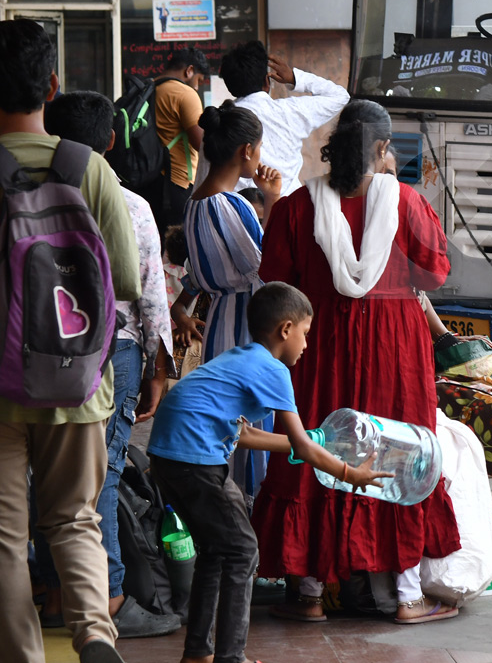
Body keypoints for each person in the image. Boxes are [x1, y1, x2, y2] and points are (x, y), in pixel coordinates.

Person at [251, 99, 460, 625]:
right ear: (383, 148)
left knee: (317, 447)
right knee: (401, 452)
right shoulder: (407, 203)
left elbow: (274, 274)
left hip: (317, 345)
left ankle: (310, 593)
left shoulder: (300, 207)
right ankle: (407, 596)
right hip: (395, 353)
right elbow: (434, 274)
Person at [148, 282, 387, 663]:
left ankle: (198, 653)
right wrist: (349, 473)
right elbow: (302, 447)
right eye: (305, 335)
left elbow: (245, 434)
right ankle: (231, 657)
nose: (306, 345)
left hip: (172, 453)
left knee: (216, 551)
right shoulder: (273, 369)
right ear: (286, 329)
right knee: (243, 551)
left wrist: (313, 441)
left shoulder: (243, 358)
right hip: (192, 458)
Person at [0, 20, 141, 663]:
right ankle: (93, 635)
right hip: (78, 380)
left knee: (5, 534)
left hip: (0, 385)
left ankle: (23, 653)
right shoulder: (89, 169)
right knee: (74, 518)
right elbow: (128, 281)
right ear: (52, 86)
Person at [38, 91, 180, 638]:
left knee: (46, 472)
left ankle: (55, 593)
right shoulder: (128, 205)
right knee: (99, 474)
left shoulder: (29, 194)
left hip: (44, 344)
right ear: (111, 141)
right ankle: (112, 598)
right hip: (110, 348)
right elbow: (145, 291)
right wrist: (157, 366)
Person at [170, 101, 281, 498]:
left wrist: (180, 307)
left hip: (220, 324)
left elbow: (198, 276)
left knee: (225, 422)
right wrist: (272, 201)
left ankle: (227, 509)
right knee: (249, 425)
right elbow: (267, 265)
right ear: (246, 151)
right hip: (246, 326)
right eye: (260, 148)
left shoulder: (195, 203)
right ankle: (248, 515)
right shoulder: (229, 204)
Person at [219, 40, 350, 197]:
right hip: (286, 211)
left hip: (238, 213)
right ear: (267, 82)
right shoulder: (290, 112)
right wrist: (295, 78)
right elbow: (340, 96)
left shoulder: (220, 121)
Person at [146, 46, 210, 234]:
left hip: (149, 181)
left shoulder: (148, 88)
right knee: (179, 250)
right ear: (189, 70)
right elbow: (201, 144)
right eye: (198, 79)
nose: (197, 86)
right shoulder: (185, 93)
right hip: (177, 182)